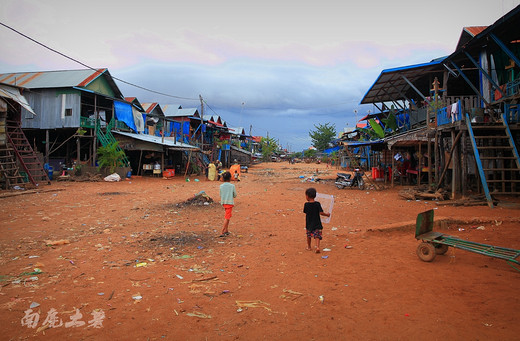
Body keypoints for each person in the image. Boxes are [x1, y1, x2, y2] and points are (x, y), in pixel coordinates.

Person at [303, 187, 330, 253]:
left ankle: (309, 247)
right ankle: (317, 247)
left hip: (309, 222)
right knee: (317, 235)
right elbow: (321, 213)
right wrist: (327, 215)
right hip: (317, 222)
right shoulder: (317, 204)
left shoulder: (306, 204)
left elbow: (305, 212)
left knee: (308, 235)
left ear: (307, 196)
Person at [219, 171, 237, 237]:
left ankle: (226, 230)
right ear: (230, 178)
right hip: (229, 203)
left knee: (228, 216)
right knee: (227, 217)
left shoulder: (221, 186)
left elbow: (220, 194)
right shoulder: (232, 186)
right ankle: (222, 231)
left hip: (224, 202)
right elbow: (235, 195)